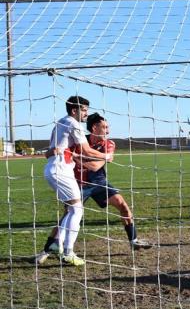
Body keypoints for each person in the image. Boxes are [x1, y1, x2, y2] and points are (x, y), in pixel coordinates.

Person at [36, 113, 152, 264]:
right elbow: (56, 151)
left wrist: (75, 157)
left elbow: (96, 166)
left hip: (99, 183)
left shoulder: (109, 144)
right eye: (104, 127)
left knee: (123, 205)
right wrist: (60, 152)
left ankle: (133, 240)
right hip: (78, 183)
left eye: (108, 127)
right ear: (94, 127)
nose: (108, 131)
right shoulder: (79, 139)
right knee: (67, 216)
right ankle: (47, 250)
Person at [40, 96, 113, 266]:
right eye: (84, 110)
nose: (86, 114)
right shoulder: (73, 124)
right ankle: (67, 252)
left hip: (54, 169)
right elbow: (86, 150)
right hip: (61, 170)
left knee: (72, 209)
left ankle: (57, 244)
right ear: (74, 110)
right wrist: (106, 156)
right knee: (76, 210)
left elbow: (48, 152)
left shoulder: (60, 123)